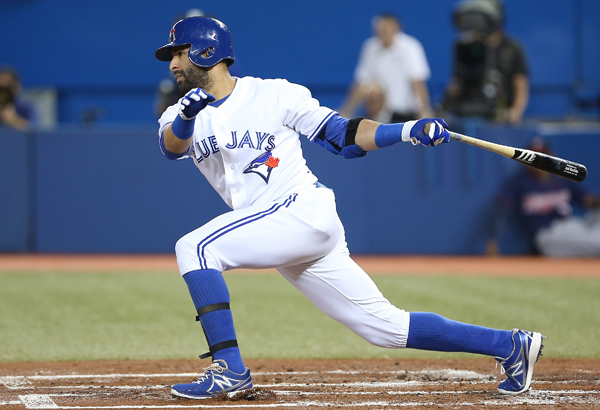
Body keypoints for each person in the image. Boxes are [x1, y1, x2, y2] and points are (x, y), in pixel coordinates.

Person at [155, 16, 544, 400]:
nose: (173, 63)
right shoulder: (177, 114)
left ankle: (230, 370)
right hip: (277, 228)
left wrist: (407, 130)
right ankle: (511, 345)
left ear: (207, 51)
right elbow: (172, 148)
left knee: (196, 248)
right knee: (385, 327)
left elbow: (342, 136)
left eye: (180, 52)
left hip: (299, 209)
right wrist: (188, 116)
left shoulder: (274, 94)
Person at [488, 137, 600, 257]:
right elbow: (501, 210)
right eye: (535, 158)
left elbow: (588, 200)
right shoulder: (520, 181)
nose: (540, 162)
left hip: (572, 226)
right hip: (548, 234)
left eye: (543, 156)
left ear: (552, 156)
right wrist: (493, 242)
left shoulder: (561, 178)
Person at [442, 0, 529, 124]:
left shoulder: (512, 48)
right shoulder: (464, 46)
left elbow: (521, 84)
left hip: (499, 116)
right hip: (466, 114)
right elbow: (458, 80)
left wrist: (516, 111)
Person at [338, 13, 433, 123]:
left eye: (386, 29)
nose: (383, 33)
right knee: (372, 88)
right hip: (379, 114)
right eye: (380, 30)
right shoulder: (370, 47)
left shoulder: (410, 47)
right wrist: (347, 111)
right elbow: (360, 83)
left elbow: (417, 82)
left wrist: (424, 110)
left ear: (396, 29)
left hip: (405, 114)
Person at [0, 67, 36, 131]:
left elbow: (34, 131)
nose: (4, 90)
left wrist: (13, 119)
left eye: (8, 85)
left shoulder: (27, 108)